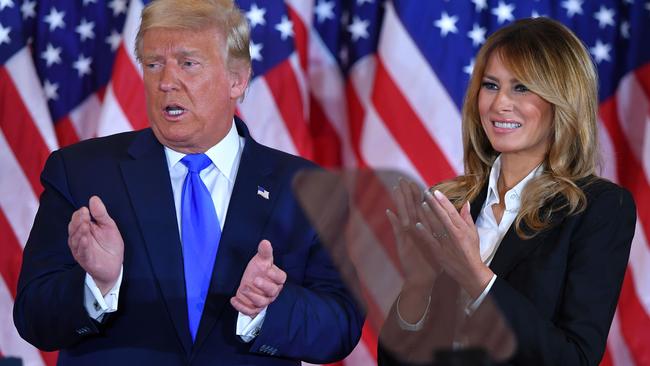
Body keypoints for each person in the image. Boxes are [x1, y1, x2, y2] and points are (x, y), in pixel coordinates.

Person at [13, 0, 363, 365]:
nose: (166, 82)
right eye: (153, 64)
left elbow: (341, 326)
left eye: (188, 63)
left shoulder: (305, 189)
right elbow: (32, 318)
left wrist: (268, 308)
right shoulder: (81, 173)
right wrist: (96, 286)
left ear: (237, 79)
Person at [378, 17, 636, 366]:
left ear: (563, 99)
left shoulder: (599, 208)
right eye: (490, 85)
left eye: (521, 88)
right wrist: (418, 284)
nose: (500, 104)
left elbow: (574, 358)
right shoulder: (450, 202)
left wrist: (478, 278)